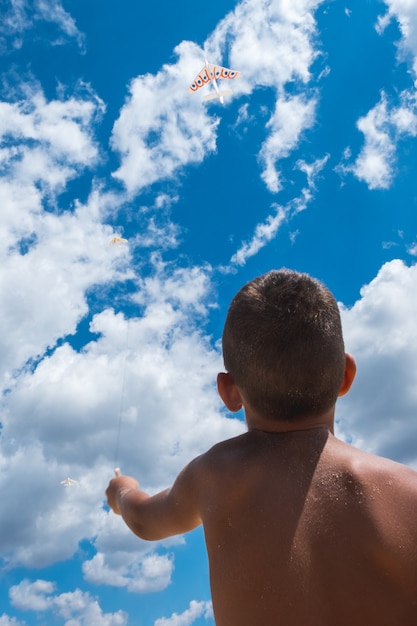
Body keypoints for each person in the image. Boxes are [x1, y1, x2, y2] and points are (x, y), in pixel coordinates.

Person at [106, 269, 417, 626]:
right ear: (345, 375)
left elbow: (145, 521)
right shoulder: (408, 493)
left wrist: (122, 492)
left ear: (228, 391)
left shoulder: (215, 474)